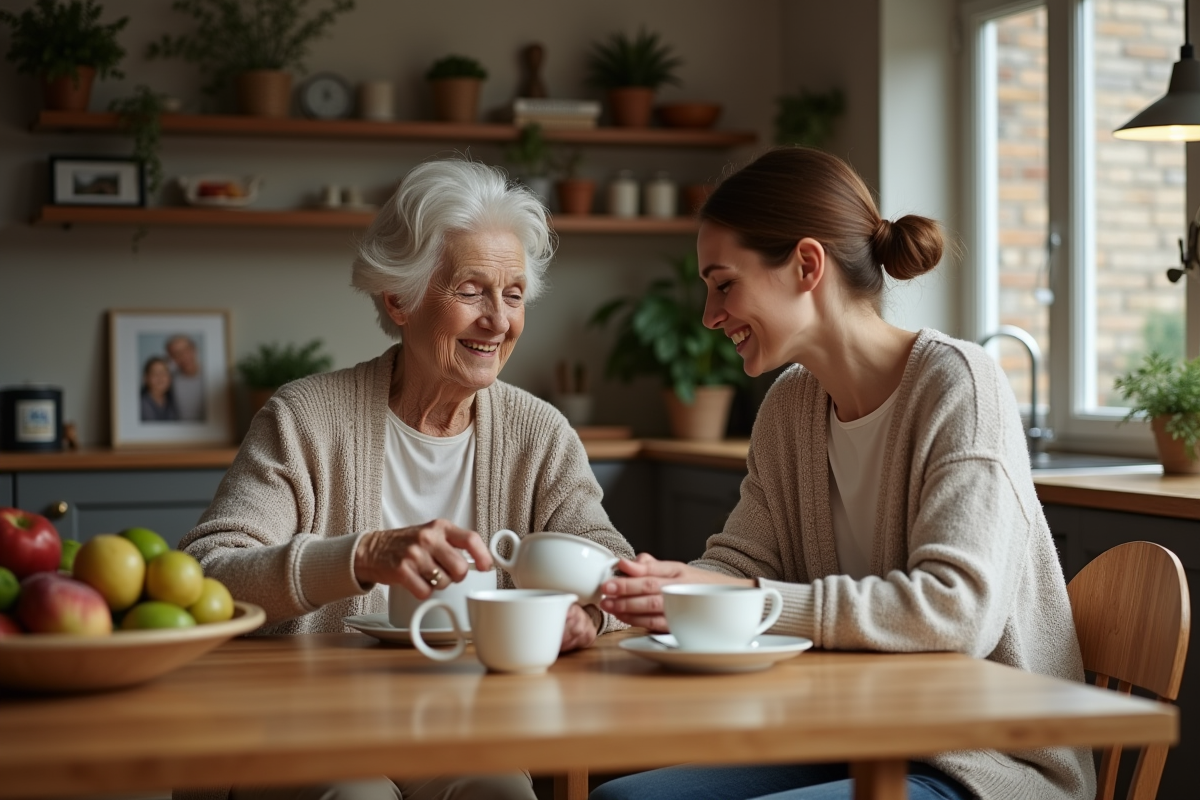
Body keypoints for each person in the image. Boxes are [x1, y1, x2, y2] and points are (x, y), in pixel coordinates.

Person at [592, 148, 1096, 800]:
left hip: (986, 759)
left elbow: (956, 610)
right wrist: (642, 595)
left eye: (723, 284)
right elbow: (742, 561)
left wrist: (751, 600)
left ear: (806, 265)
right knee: (622, 799)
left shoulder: (959, 386)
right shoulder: (789, 408)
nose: (709, 315)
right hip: (855, 737)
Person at [180, 159, 634, 800]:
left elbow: (612, 563)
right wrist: (361, 556)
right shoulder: (305, 417)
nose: (499, 322)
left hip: (471, 723)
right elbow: (206, 574)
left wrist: (588, 612)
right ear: (400, 298)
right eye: (472, 291)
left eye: (512, 295)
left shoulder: (540, 433)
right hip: (309, 723)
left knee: (501, 792)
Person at [166, 334, 206, 421]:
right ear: (171, 358)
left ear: (194, 349)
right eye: (176, 354)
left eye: (186, 350)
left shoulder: (211, 375)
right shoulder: (169, 380)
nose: (183, 356)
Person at [139, 356, 179, 421]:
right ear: (145, 378)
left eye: (164, 373)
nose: (160, 377)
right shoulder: (140, 404)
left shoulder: (173, 401)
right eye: (155, 373)